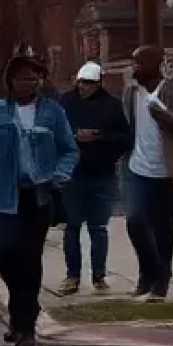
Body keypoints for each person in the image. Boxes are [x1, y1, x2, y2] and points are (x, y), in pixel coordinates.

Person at [0, 53, 80, 346]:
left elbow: (69, 150)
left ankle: (25, 325)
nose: (27, 84)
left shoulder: (52, 112)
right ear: (10, 82)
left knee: (30, 260)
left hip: (39, 196)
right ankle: (19, 312)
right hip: (4, 196)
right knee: (5, 253)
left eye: (33, 78)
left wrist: (59, 175)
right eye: (21, 78)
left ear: (40, 82)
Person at [122, 45, 173, 301]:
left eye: (138, 63)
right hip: (137, 168)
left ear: (155, 64)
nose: (133, 68)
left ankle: (161, 280)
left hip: (168, 171)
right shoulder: (131, 91)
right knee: (135, 222)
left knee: (162, 228)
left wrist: (163, 115)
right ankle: (148, 273)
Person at [56, 61, 131, 295]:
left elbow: (124, 139)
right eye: (81, 82)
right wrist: (74, 137)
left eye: (88, 83)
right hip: (72, 174)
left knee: (98, 227)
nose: (83, 87)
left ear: (98, 83)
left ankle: (99, 275)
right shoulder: (65, 103)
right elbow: (54, 132)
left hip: (101, 173)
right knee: (72, 226)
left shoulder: (112, 106)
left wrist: (98, 137)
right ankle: (72, 275)